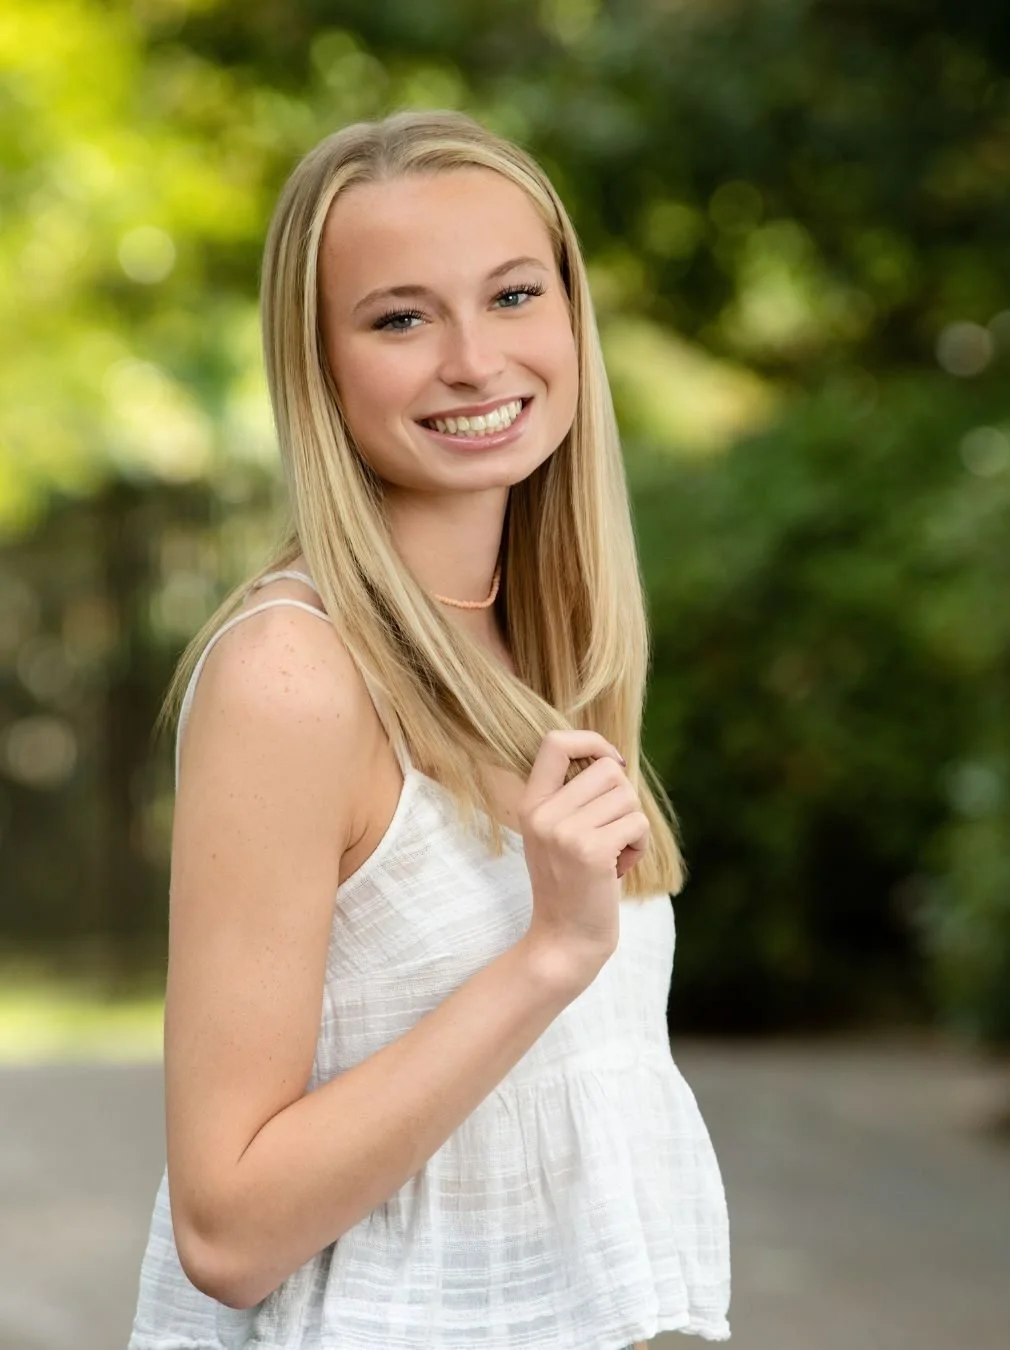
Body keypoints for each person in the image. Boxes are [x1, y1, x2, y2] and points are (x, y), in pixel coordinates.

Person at [128, 109, 730, 1350]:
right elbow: (228, 1232)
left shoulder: (539, 648)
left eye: (513, 295)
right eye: (400, 318)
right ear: (321, 364)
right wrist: (548, 956)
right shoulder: (293, 674)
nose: (473, 359)